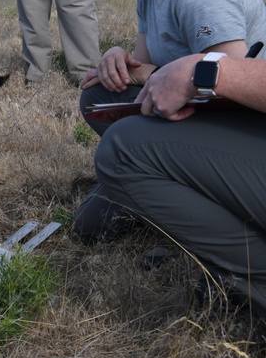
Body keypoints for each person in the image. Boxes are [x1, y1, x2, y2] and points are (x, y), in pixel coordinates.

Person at [74, 0, 266, 240]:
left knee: (98, 215)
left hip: (249, 127)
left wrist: (143, 73)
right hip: (203, 117)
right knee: (98, 94)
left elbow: (229, 83)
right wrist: (120, 59)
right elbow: (148, 66)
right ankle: (161, 182)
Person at [92, 50, 266, 317]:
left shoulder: (202, 6)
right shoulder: (149, 6)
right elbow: (143, 57)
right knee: (101, 104)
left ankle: (255, 279)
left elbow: (229, 57)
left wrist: (208, 72)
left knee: (123, 152)